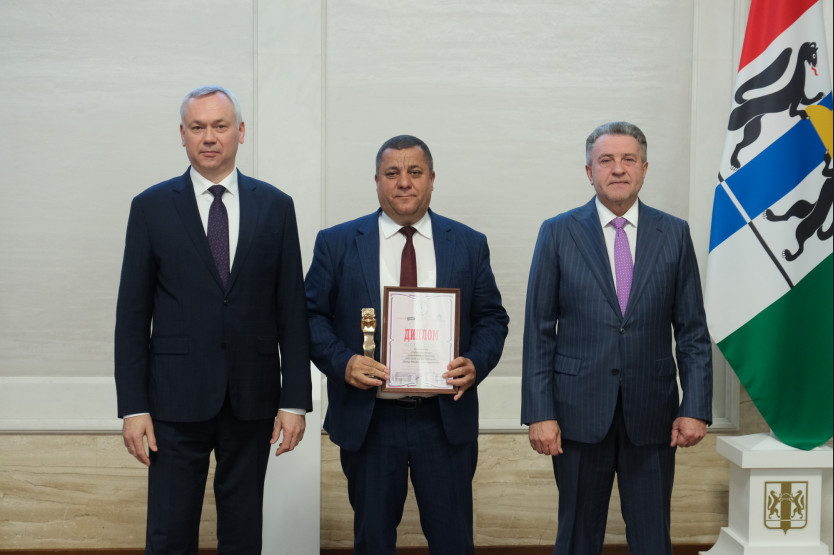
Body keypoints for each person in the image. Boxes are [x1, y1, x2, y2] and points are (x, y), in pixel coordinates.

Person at [115, 85, 312, 554]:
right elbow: (132, 315)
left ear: (240, 132)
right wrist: (133, 407)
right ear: (182, 134)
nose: (209, 137)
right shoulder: (151, 206)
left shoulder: (276, 206)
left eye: (220, 126)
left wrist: (295, 401)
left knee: (243, 533)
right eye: (198, 127)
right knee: (169, 532)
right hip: (173, 399)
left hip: (253, 396)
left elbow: (291, 309)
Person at [305, 134, 509, 554]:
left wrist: (475, 362)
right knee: (373, 542)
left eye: (415, 172)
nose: (404, 182)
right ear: (376, 180)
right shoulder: (337, 242)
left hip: (443, 420)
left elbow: (492, 318)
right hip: (370, 421)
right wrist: (343, 362)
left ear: (432, 179)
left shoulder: (468, 243)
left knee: (453, 542)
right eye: (392, 173)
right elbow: (309, 317)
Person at [521, 121, 712, 554]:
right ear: (589, 172)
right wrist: (539, 412)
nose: (618, 169)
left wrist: (696, 407)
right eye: (606, 160)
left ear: (644, 168)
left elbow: (692, 332)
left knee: (652, 538)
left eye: (629, 159)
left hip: (653, 415)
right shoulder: (558, 232)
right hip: (577, 415)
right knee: (577, 537)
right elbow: (538, 330)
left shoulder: (674, 233)